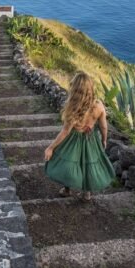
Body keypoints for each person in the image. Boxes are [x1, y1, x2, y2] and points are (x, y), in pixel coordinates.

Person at [44, 71, 115, 201]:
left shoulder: (73, 108)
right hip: (90, 139)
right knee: (87, 164)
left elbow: (65, 132)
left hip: (73, 140)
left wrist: (51, 147)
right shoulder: (99, 106)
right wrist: (104, 139)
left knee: (69, 162)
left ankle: (67, 189)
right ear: (91, 88)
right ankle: (86, 193)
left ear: (75, 89)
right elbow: (104, 126)